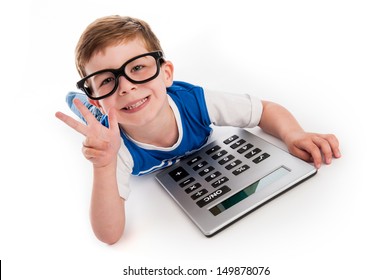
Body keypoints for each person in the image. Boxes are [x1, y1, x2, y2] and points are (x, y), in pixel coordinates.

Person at [55, 15, 341, 245]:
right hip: (105, 117)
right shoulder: (115, 147)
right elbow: (109, 235)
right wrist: (104, 165)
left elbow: (265, 110)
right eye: (106, 81)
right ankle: (79, 100)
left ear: (165, 74)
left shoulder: (195, 101)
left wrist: (294, 134)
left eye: (138, 68)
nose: (126, 86)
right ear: (97, 96)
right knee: (87, 111)